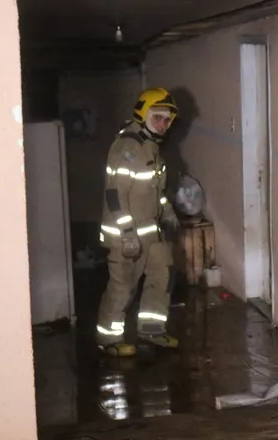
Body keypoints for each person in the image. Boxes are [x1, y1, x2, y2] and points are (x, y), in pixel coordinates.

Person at [96, 87, 181, 357]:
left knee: (163, 275)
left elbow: (156, 190)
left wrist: (167, 212)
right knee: (123, 286)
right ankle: (108, 339)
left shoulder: (152, 147)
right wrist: (128, 232)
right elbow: (114, 195)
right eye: (158, 117)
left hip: (151, 231)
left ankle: (152, 330)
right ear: (143, 114)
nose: (163, 124)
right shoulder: (127, 147)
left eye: (168, 119)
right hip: (125, 235)